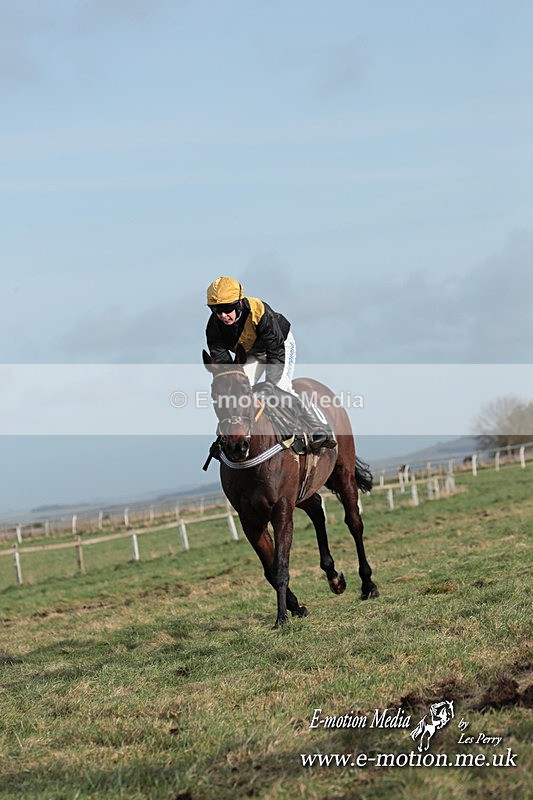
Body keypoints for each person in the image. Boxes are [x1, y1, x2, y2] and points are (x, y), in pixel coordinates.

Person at [205, 276, 336, 449]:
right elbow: (225, 366)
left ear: (240, 303)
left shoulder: (260, 312)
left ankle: (319, 427)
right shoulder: (214, 325)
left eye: (227, 309)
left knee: (280, 387)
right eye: (216, 310)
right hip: (251, 352)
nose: (222, 315)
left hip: (279, 346)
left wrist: (270, 383)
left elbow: (275, 351)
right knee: (238, 390)